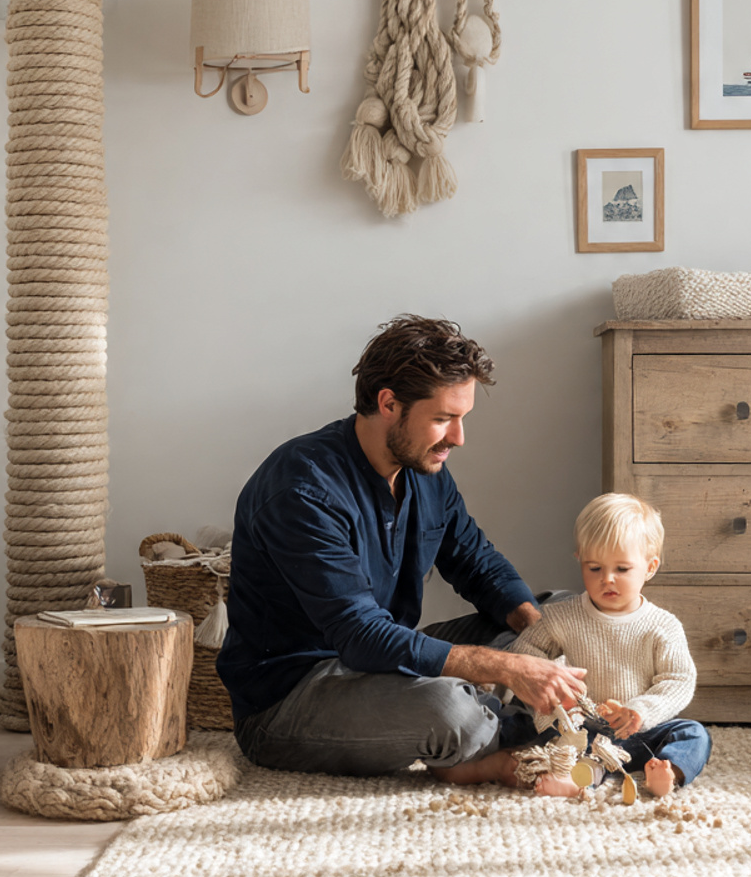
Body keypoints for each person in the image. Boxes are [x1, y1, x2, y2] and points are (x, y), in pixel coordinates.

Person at [217, 314, 588, 776]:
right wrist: (507, 669)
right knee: (449, 712)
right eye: (443, 419)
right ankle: (536, 734)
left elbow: (478, 564)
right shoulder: (302, 488)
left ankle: (516, 720)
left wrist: (544, 638)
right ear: (388, 403)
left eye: (462, 418)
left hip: (384, 665)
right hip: (293, 697)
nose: (458, 438)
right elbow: (360, 635)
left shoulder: (425, 467)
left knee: (567, 612)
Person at [433, 492, 711, 797]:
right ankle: (546, 771)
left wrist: (640, 710)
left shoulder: (662, 626)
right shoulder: (562, 617)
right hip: (576, 727)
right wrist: (555, 698)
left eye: (622, 569)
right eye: (595, 568)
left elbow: (679, 679)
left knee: (693, 734)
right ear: (579, 560)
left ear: (650, 567)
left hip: (638, 732)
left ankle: (667, 771)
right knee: (512, 723)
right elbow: (525, 653)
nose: (607, 579)